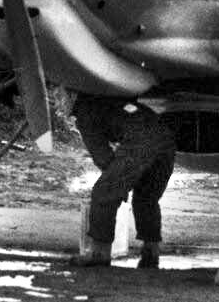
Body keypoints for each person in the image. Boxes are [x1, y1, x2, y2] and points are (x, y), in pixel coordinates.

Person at [70, 93, 177, 270]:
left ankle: (99, 254)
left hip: (142, 140)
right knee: (146, 198)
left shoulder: (85, 112)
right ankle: (151, 253)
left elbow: (103, 158)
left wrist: (119, 186)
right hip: (166, 137)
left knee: (104, 192)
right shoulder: (111, 96)